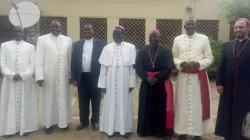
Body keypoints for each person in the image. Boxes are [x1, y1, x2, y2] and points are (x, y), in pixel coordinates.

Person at [172, 17, 214, 140]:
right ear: (184, 26)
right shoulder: (177, 39)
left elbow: (209, 58)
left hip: (198, 77)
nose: (190, 27)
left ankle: (196, 132)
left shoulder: (204, 39)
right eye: (188, 25)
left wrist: (198, 64)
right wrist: (181, 63)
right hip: (183, 76)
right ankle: (182, 131)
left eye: (192, 25)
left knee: (198, 104)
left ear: (196, 26)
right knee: (181, 103)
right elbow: (174, 57)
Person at [98, 25, 136, 138]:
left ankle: (125, 129)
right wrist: (102, 84)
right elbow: (103, 68)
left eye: (119, 34)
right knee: (110, 103)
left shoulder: (130, 47)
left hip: (124, 83)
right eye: (114, 34)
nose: (117, 36)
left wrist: (131, 83)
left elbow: (132, 68)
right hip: (110, 82)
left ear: (123, 35)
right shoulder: (107, 48)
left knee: (125, 105)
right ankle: (110, 129)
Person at [135, 29, 174, 140]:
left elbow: (168, 67)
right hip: (146, 82)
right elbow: (138, 66)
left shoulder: (166, 50)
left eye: (155, 37)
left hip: (161, 82)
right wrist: (146, 77)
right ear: (148, 38)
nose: (153, 39)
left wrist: (157, 78)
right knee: (145, 107)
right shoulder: (142, 50)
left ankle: (162, 132)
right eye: (151, 37)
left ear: (159, 38)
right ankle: (145, 130)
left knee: (161, 107)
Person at [215, 18, 250, 140]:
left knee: (243, 113)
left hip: (246, 87)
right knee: (227, 113)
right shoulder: (227, 45)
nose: (238, 29)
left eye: (241, 27)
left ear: (248, 28)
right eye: (236, 27)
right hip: (228, 86)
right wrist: (219, 83)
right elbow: (221, 66)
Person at [35, 20, 73, 134]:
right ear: (49, 27)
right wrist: (39, 76)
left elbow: (70, 60)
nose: (55, 29)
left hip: (64, 76)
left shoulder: (68, 40)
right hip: (48, 76)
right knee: (48, 99)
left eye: (57, 27)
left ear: (61, 27)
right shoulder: (42, 39)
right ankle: (48, 124)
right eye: (53, 27)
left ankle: (63, 122)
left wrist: (70, 76)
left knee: (63, 98)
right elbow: (38, 59)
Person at [0, 26, 38, 136]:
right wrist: (11, 75)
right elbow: (2, 64)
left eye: (21, 32)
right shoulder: (4, 46)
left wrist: (23, 75)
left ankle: (26, 128)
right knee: (9, 103)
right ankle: (9, 129)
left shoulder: (30, 47)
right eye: (16, 31)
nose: (18, 33)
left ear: (23, 34)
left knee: (26, 103)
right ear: (13, 33)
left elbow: (32, 64)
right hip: (9, 81)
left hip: (25, 81)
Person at [71, 24, 106, 131]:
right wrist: (73, 77)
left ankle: (95, 121)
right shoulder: (77, 44)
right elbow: (73, 61)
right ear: (83, 31)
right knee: (82, 101)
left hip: (95, 76)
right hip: (81, 76)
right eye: (85, 30)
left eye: (89, 30)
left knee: (96, 100)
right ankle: (83, 122)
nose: (87, 32)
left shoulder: (101, 44)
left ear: (93, 31)